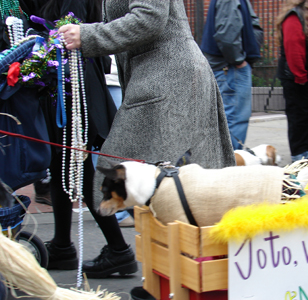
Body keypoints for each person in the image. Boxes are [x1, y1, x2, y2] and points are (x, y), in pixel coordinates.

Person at [59, 0, 235, 210]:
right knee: (169, 184)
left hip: (170, 80)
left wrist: (88, 36)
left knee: (152, 176)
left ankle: (124, 239)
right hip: (160, 78)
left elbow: (149, 18)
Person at [34, 0, 138, 278]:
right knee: (61, 167)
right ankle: (62, 246)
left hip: (72, 81)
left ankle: (118, 250)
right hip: (69, 79)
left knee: (75, 169)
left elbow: (73, 29)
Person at [200, 0, 263, 150]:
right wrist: (238, 60)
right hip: (230, 67)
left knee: (230, 121)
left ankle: (228, 165)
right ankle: (230, 167)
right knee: (234, 122)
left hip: (229, 66)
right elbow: (227, 33)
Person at [276, 0, 308, 163]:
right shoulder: (294, 16)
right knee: (300, 117)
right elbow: (293, 48)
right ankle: (300, 154)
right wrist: (301, 75)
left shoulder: (305, 16)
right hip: (298, 77)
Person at [104, 54, 134, 227]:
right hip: (110, 78)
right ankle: (117, 212)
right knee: (112, 145)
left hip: (115, 77)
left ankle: (118, 211)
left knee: (112, 144)